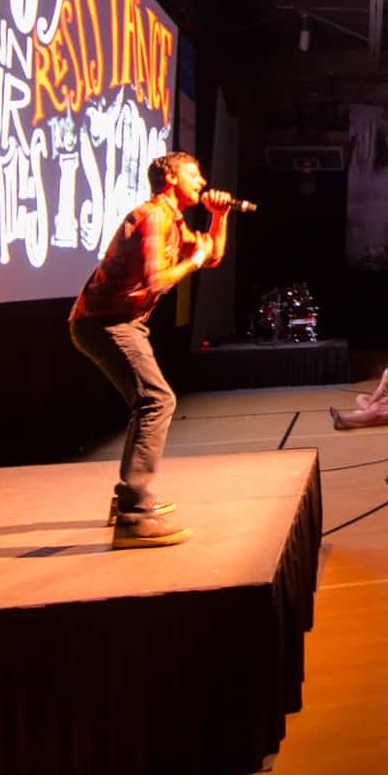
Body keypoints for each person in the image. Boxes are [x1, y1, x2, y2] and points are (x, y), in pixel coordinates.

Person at [69, 150, 234, 548]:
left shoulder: (173, 219)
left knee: (149, 403)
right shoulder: (153, 217)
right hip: (105, 323)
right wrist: (191, 262)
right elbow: (157, 281)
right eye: (194, 175)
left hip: (120, 323)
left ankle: (128, 501)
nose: (202, 182)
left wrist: (219, 216)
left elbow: (212, 256)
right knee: (157, 402)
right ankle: (133, 515)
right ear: (171, 179)